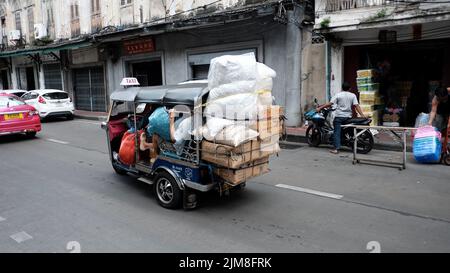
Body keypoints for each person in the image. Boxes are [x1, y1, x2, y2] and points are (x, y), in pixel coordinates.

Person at [316, 82, 366, 154]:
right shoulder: (353, 95)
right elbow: (356, 106)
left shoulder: (338, 95)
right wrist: (362, 115)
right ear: (350, 88)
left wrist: (320, 107)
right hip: (348, 117)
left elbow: (330, 103)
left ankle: (336, 149)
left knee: (337, 132)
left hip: (339, 117)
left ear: (342, 88)